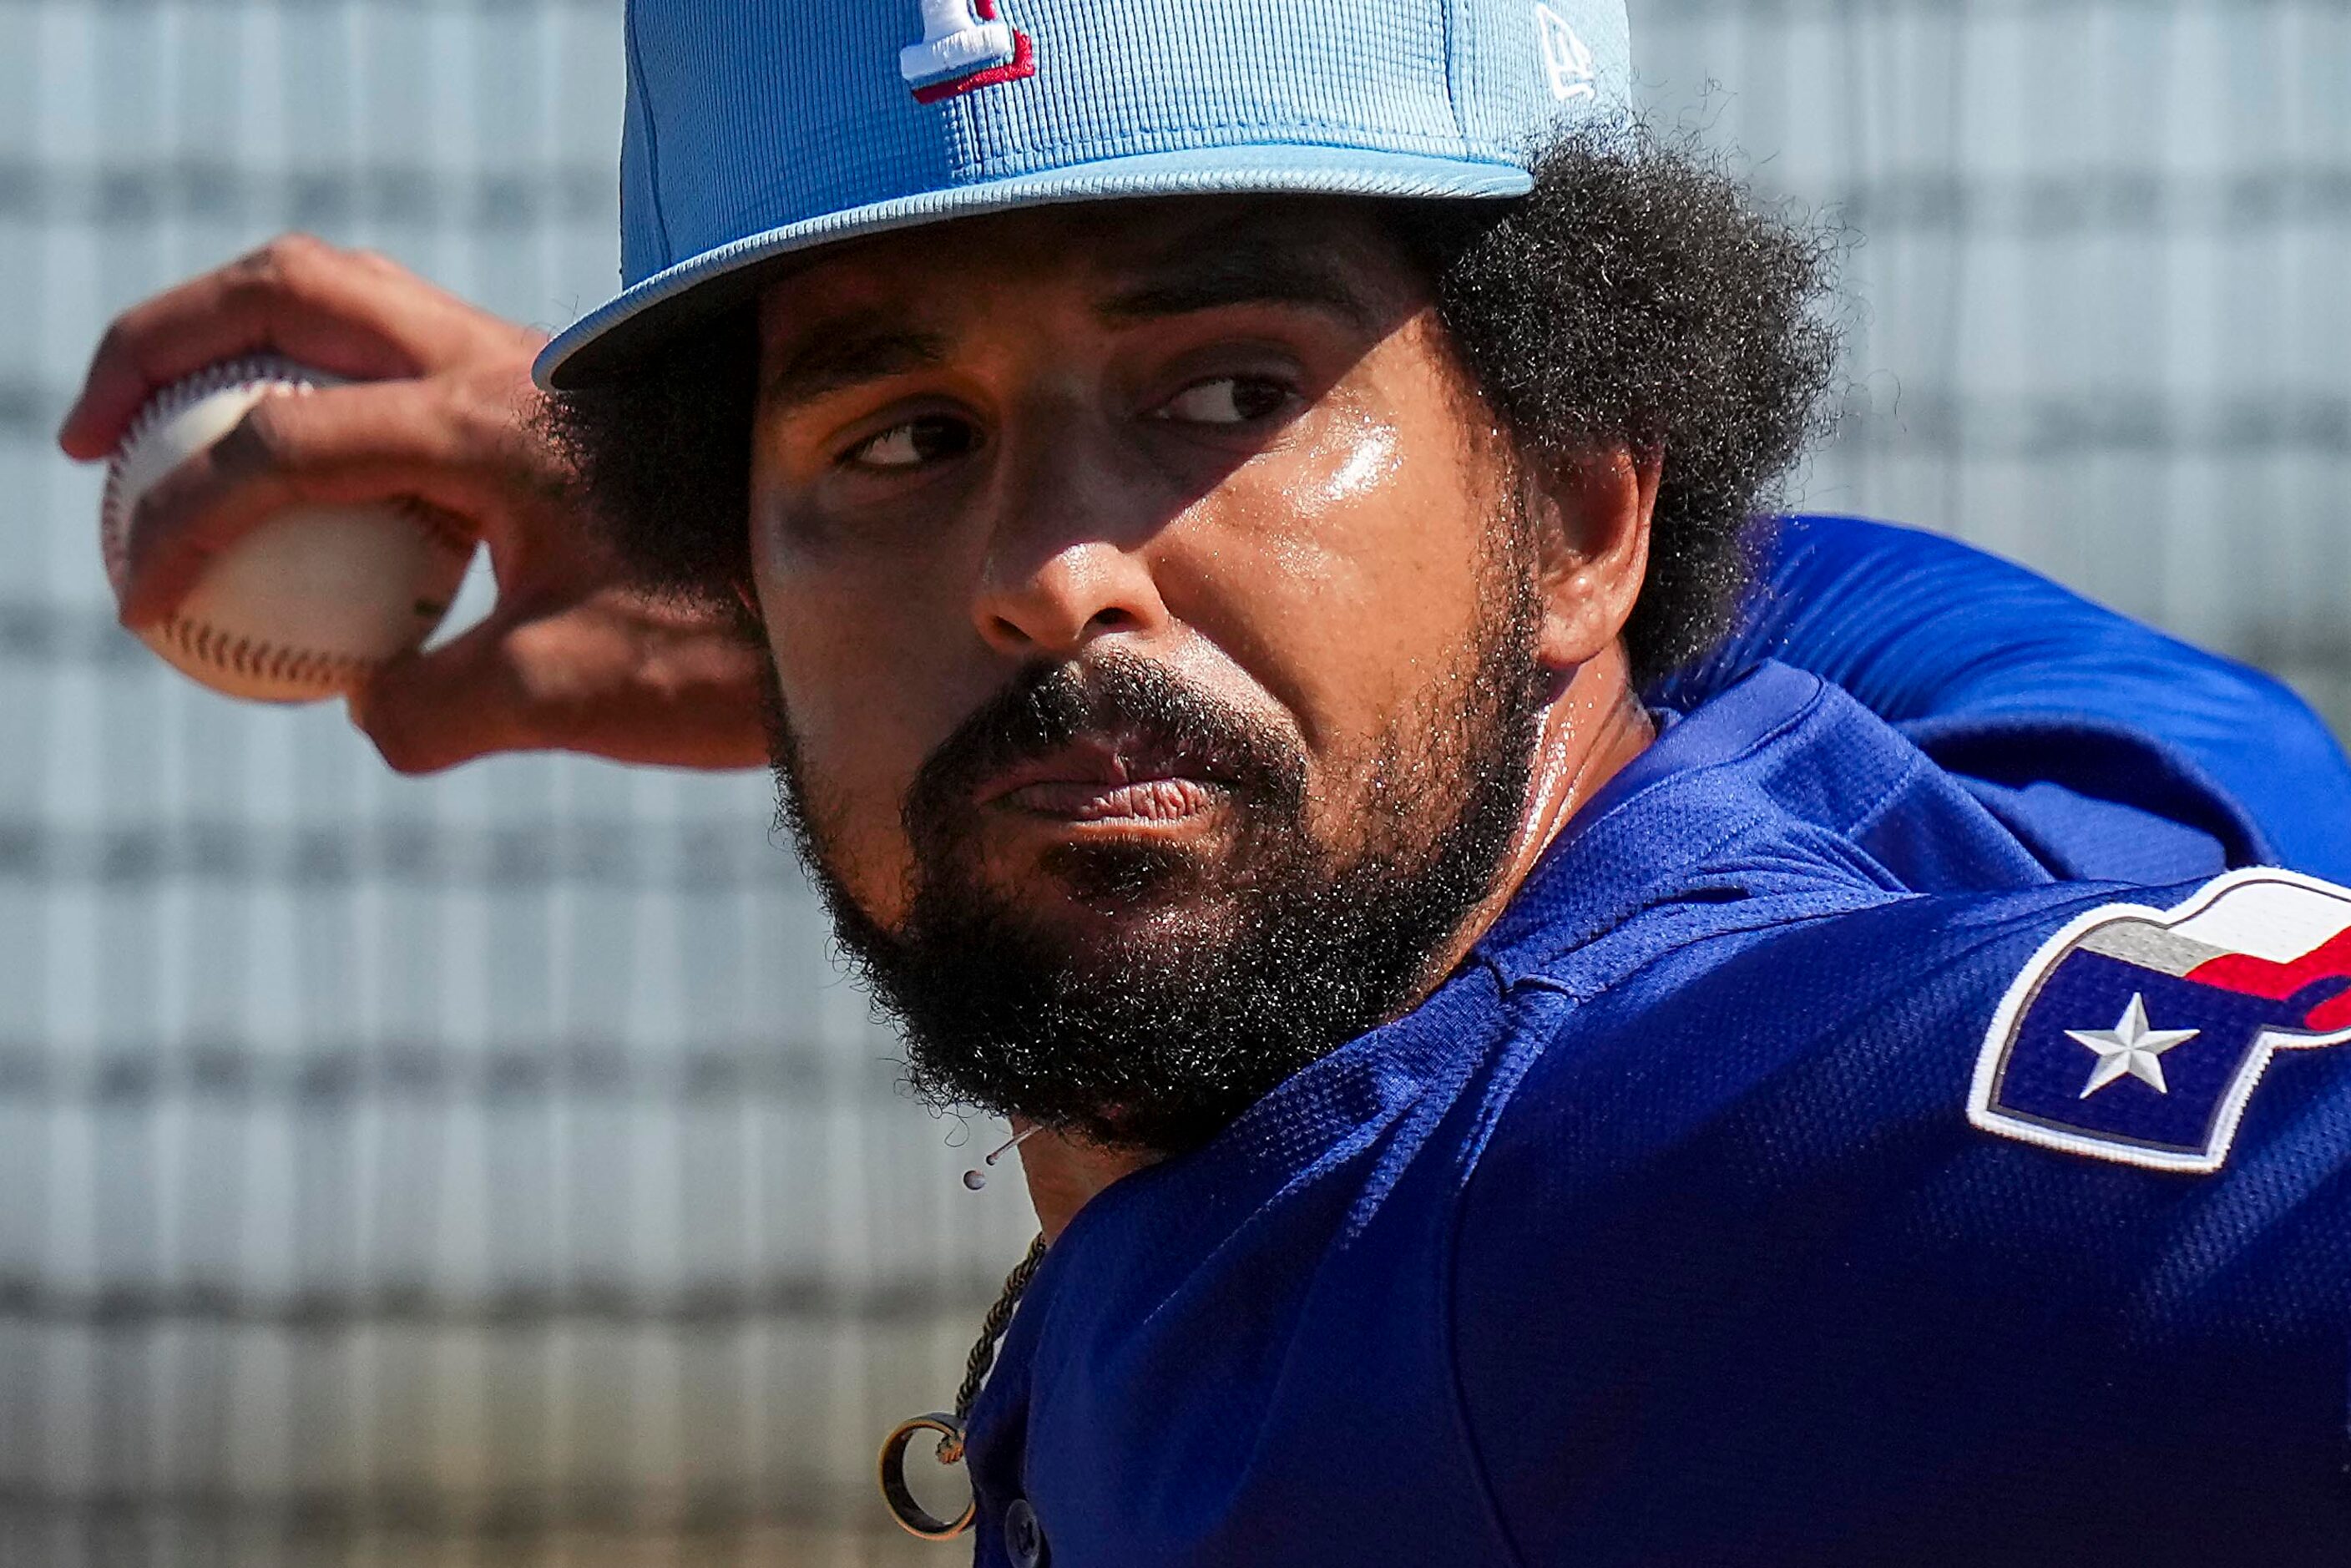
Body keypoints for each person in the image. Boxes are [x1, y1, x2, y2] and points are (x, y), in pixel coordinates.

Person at [57, 2, 2351, 1562]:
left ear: (1578, 511)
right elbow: (2205, 758)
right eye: (900, 440)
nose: (1049, 579)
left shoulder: (1640, 1179)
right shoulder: (2040, 831)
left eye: (1226, 390)